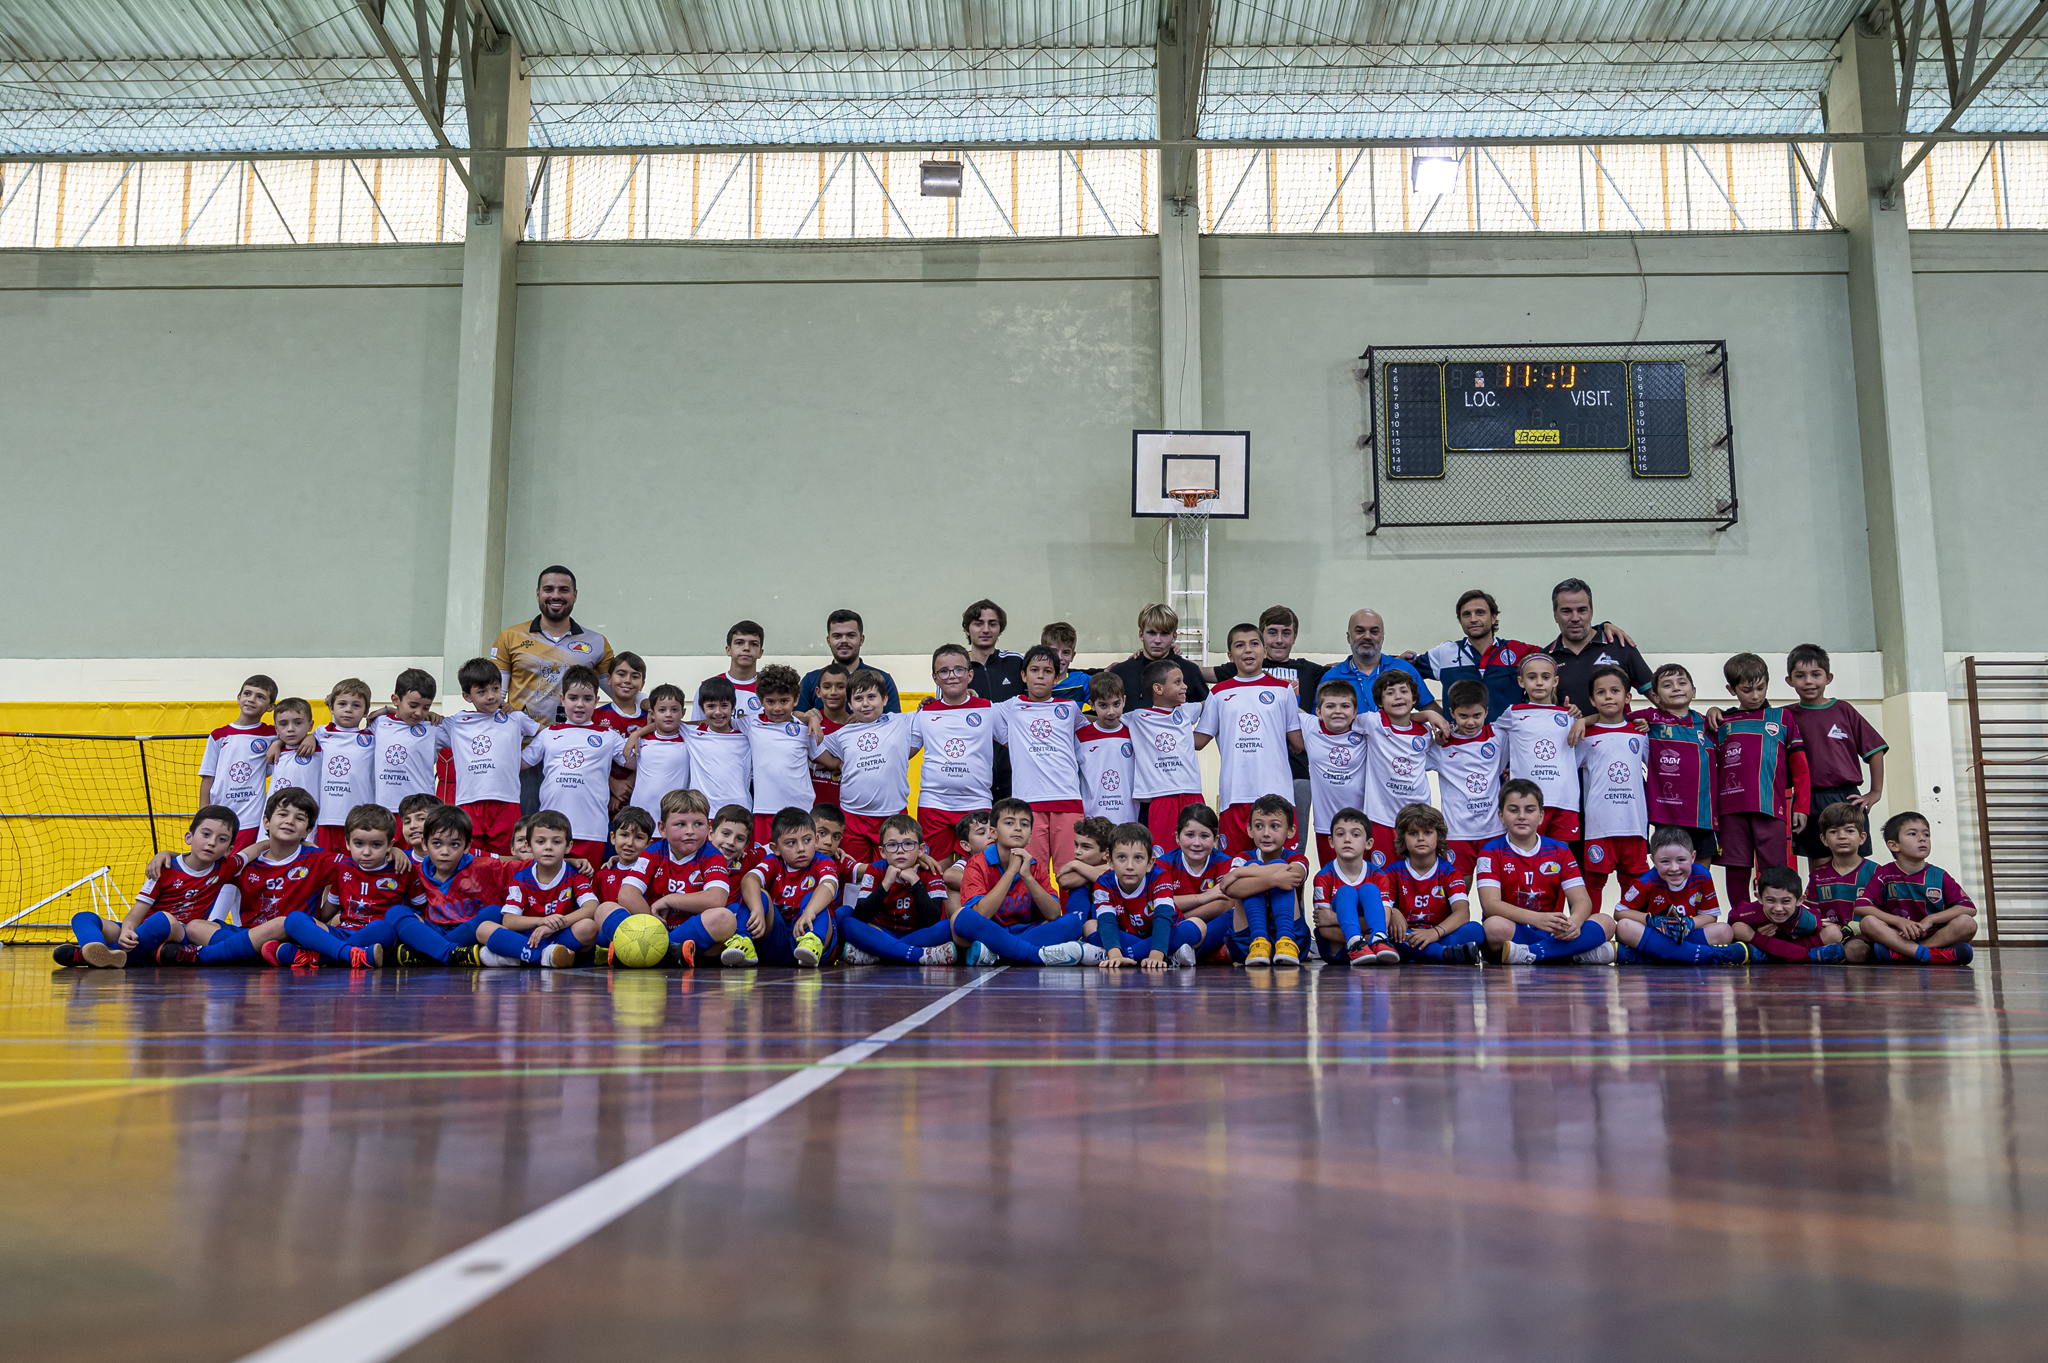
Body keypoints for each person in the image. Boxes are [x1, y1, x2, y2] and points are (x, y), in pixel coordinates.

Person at [491, 566, 615, 812]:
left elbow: (620, 691)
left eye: (563, 590)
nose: (555, 595)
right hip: (523, 750)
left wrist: (647, 705)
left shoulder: (596, 642)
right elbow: (494, 695)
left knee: (567, 829)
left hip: (575, 753)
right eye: (548, 589)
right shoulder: (510, 637)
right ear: (537, 594)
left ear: (575, 595)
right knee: (525, 830)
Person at [61, 806, 242, 967]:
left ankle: (106, 956)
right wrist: (126, 931)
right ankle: (95, 949)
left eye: (221, 839)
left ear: (228, 849)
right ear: (189, 837)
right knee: (83, 917)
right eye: (206, 834)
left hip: (180, 932)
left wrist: (267, 840)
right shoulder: (164, 867)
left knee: (163, 919)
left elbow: (254, 850)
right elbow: (135, 914)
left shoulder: (225, 867)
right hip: (142, 932)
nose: (212, 842)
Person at [173, 788, 332, 966]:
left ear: (307, 830)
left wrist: (327, 914)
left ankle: (212, 954)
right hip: (248, 932)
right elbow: (202, 865)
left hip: (290, 935)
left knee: (283, 923)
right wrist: (168, 855)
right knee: (194, 927)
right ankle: (262, 952)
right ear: (266, 821)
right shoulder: (247, 863)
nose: (290, 821)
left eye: (299, 818)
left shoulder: (318, 858)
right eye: (283, 814)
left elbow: (357, 872)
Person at [1476, 780, 1616, 965]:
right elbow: (1490, 905)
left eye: (1530, 810)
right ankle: (1571, 953)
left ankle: (1533, 953)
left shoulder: (1559, 850)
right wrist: (1536, 918)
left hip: (1551, 929)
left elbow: (1582, 900)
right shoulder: (1491, 851)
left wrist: (1575, 921)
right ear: (1501, 816)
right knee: (1493, 927)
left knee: (1606, 922)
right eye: (1513, 810)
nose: (1522, 816)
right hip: (1515, 929)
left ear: (1541, 816)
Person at [1196, 623, 1304, 855]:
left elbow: (1299, 742)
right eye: (1239, 646)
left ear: (1264, 650)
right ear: (1230, 655)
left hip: (1278, 794)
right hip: (1235, 794)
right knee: (1233, 869)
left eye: (1254, 644)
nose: (1248, 650)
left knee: (1284, 870)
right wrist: (1161, 722)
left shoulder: (1283, 690)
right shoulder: (1218, 693)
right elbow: (1198, 741)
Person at [1714, 652, 1810, 911]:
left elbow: (1800, 768)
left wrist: (1801, 806)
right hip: (1730, 811)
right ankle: (1742, 919)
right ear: (1731, 689)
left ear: (1768, 682)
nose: (1755, 696)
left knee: (1774, 872)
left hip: (1771, 807)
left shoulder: (1782, 718)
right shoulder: (1722, 722)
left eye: (1761, 688)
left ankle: (1775, 920)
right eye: (1746, 690)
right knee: (1736, 869)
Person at [273, 803, 422, 969]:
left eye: (376, 845)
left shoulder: (403, 868)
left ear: (390, 845)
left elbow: (420, 909)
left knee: (384, 930)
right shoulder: (343, 867)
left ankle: (318, 957)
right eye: (359, 844)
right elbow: (331, 906)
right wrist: (310, 928)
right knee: (295, 919)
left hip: (375, 936)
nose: (366, 852)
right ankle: (352, 955)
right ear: (347, 843)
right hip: (343, 931)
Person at [951, 798, 1092, 965]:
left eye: (1024, 824)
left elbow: (1054, 914)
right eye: (1009, 823)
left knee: (1073, 923)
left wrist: (1028, 876)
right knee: (960, 918)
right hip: (991, 931)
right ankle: (1034, 954)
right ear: (993, 833)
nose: (1018, 828)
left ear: (1030, 837)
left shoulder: (1036, 866)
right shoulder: (976, 863)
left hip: (1026, 931)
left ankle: (999, 954)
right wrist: (1011, 872)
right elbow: (980, 915)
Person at [1783, 643, 1887, 865]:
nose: (1809, 681)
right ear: (1789, 680)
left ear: (1828, 678)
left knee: (1853, 864)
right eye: (1800, 675)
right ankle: (1823, 901)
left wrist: (1875, 791)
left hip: (1846, 797)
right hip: (1808, 799)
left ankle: (1859, 901)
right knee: (1820, 866)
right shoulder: (1785, 716)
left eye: (1816, 674)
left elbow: (1875, 750)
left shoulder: (1843, 710)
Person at [520, 665, 629, 866]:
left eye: (587, 699)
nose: (580, 705)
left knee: (586, 892)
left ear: (597, 701)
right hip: (550, 832)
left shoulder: (608, 736)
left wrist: (642, 731)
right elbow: (517, 764)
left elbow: (639, 763)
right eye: (573, 698)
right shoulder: (549, 734)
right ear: (562, 699)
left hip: (591, 831)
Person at [388, 804, 517, 967]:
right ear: (424, 843)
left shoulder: (484, 865)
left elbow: (524, 864)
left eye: (454, 844)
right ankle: (454, 953)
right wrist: (392, 851)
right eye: (437, 843)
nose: (444, 852)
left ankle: (432, 952)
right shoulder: (415, 869)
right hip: (434, 930)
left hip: (471, 930)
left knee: (494, 913)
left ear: (467, 846)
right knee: (395, 912)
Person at [995, 645, 1086, 871]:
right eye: (1034, 670)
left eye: (1047, 671)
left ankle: (1074, 909)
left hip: (1068, 801)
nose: (1040, 676)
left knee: (1071, 873)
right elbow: (973, 710)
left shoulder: (1070, 708)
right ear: (1024, 675)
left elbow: (1090, 737)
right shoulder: (1010, 708)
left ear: (1056, 678)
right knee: (1032, 873)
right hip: (1028, 805)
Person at [817, 670, 922, 863]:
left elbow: (935, 715)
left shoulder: (903, 721)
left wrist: (932, 703)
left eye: (871, 697)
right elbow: (813, 746)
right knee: (854, 874)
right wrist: (812, 719)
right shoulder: (843, 734)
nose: (865, 704)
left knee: (894, 873)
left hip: (893, 815)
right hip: (853, 819)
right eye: (858, 698)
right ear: (849, 704)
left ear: (884, 699)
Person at [1611, 826, 1752, 965]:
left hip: (1686, 935)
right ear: (1653, 861)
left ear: (1693, 857)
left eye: (1681, 860)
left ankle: (1654, 956)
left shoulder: (1702, 875)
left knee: (1724, 931)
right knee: (1624, 927)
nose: (1674, 868)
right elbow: (1619, 913)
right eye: (1665, 861)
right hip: (1656, 934)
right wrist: (1651, 920)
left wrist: (1690, 924)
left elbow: (1710, 916)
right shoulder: (1646, 881)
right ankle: (1703, 955)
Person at [443, 657, 541, 855]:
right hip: (469, 802)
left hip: (507, 801)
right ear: (467, 696)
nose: (491, 696)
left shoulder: (514, 717)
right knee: (470, 860)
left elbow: (547, 735)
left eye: (495, 689)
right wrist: (390, 710)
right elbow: (420, 728)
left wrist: (525, 759)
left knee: (505, 858)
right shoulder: (456, 723)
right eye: (481, 692)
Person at [1852, 811, 1978, 965]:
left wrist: (1931, 919)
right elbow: (1861, 906)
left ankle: (1911, 953)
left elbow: (1968, 908)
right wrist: (1899, 922)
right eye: (1912, 834)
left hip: (1934, 935)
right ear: (1894, 845)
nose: (1922, 839)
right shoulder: (1884, 873)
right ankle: (1934, 955)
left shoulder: (1939, 875)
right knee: (1868, 923)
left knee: (1968, 923)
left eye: (1926, 834)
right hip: (1899, 935)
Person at [644, 789, 752, 967]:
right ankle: (664, 950)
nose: (690, 831)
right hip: (655, 927)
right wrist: (650, 927)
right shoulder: (653, 851)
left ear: (707, 828)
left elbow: (717, 898)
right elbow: (628, 894)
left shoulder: (713, 856)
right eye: (680, 824)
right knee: (605, 910)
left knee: (725, 918)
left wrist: (669, 900)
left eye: (697, 824)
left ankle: (655, 951)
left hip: (693, 932)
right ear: (662, 828)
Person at [477, 810, 599, 968]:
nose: (548, 847)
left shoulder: (575, 876)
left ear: (568, 846)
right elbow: (509, 920)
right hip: (528, 936)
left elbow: (591, 907)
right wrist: (540, 921)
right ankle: (542, 955)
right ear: (529, 845)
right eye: (541, 842)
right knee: (483, 929)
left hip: (560, 935)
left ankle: (519, 956)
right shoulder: (521, 878)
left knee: (588, 928)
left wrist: (554, 925)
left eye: (556, 842)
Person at [834, 813, 959, 966]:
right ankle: (916, 954)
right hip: (881, 931)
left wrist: (915, 882)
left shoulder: (930, 871)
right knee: (848, 924)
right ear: (882, 852)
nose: (900, 850)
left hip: (917, 933)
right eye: (892, 845)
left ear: (921, 849)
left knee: (946, 927)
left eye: (908, 844)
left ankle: (881, 953)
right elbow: (862, 915)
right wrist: (886, 884)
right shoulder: (875, 869)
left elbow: (931, 919)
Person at [909, 645, 995, 861]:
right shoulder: (924, 713)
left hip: (976, 804)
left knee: (979, 874)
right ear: (935, 678)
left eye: (958, 669)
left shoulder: (989, 709)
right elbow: (904, 751)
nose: (952, 676)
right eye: (944, 671)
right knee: (936, 873)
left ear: (970, 674)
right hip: (934, 805)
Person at [1575, 665, 1651, 909]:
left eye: (1615, 691)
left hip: (1634, 824)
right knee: (1594, 882)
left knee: (1634, 883)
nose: (1608, 696)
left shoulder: (1640, 733)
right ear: (1592, 700)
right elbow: (1565, 771)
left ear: (1627, 697)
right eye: (1601, 692)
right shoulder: (1584, 735)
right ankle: (1591, 934)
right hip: (1599, 826)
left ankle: (1631, 935)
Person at [1375, 803, 1487, 965]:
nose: (1421, 838)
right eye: (1413, 833)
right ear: (1402, 838)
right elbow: (1381, 910)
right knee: (1388, 936)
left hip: (1440, 934)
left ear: (1439, 836)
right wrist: (1393, 912)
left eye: (1427, 832)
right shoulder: (1392, 873)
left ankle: (1424, 953)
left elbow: (1462, 913)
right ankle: (1443, 954)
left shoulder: (1450, 872)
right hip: (1407, 935)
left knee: (1476, 930)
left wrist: (1434, 933)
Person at [1492, 653, 1583, 846]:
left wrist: (1582, 718)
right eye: (1532, 677)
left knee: (1558, 859)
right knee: (1524, 855)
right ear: (1521, 682)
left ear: (1555, 681)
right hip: (1525, 802)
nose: (1539, 683)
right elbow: (1490, 740)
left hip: (1563, 800)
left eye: (1546, 677)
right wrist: (1510, 767)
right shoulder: (1513, 713)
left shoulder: (1569, 715)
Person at [1410, 590, 1541, 720]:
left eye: (1480, 613)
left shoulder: (1518, 651)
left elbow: (1556, 658)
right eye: (1466, 614)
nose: (1473, 619)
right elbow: (1401, 669)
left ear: (1493, 617)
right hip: (1460, 740)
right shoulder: (1444, 653)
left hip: (1509, 738)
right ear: (1460, 621)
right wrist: (1430, 708)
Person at [1636, 664, 1720, 866]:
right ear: (1655, 697)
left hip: (1702, 816)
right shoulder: (1651, 719)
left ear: (1693, 691)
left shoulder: (1709, 723)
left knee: (1701, 875)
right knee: (1669, 871)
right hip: (1666, 816)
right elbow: (1612, 718)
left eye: (1682, 683)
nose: (1676, 688)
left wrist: (1715, 709)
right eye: (1667, 685)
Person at [1127, 658, 1210, 855]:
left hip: (1192, 793)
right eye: (1178, 682)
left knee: (1197, 852)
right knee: (1164, 857)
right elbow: (1106, 719)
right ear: (1158, 688)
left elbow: (1215, 699)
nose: (1185, 686)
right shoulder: (1137, 717)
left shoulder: (1188, 711)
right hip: (1162, 797)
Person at [739, 807, 841, 968]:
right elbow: (748, 880)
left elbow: (829, 885)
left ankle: (812, 942)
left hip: (815, 935)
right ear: (776, 848)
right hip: (779, 939)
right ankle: (742, 942)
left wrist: (809, 911)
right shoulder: (773, 861)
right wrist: (757, 908)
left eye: (806, 841)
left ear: (815, 840)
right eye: (791, 843)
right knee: (757, 894)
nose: (801, 848)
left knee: (814, 897)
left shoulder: (823, 862)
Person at [1091, 822, 1201, 969]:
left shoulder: (1160, 877)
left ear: (1150, 863)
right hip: (1127, 935)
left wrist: (1156, 955)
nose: (1130, 866)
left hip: (1163, 936)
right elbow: (1107, 922)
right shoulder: (1103, 882)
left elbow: (1163, 917)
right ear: (1110, 861)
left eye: (1138, 858)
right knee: (1090, 926)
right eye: (1122, 858)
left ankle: (1125, 955)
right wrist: (1114, 955)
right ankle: (1170, 956)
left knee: (1198, 925)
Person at [1428, 679, 1507, 882]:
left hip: (1494, 830)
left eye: (1477, 716)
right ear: (1452, 713)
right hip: (1457, 833)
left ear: (1487, 712)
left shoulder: (1498, 736)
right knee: (1459, 892)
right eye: (1463, 716)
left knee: (1496, 890)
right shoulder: (1440, 746)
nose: (1470, 722)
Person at [1221, 793, 1311, 966]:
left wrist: (1239, 874)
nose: (1266, 833)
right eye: (1259, 826)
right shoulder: (1242, 858)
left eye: (1275, 826)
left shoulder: (1297, 858)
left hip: (1294, 940)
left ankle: (1286, 940)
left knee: (1269, 866)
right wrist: (1274, 878)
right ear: (1249, 830)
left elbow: (1293, 875)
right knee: (1253, 865)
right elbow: (1231, 890)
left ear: (1291, 831)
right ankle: (1259, 941)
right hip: (1247, 943)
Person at [1358, 670, 1436, 871]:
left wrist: (1427, 715)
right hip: (1381, 818)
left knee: (1414, 875)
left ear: (1414, 698)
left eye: (1404, 691)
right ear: (1380, 702)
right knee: (1381, 876)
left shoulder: (1426, 733)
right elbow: (1339, 720)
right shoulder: (1372, 722)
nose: (1398, 696)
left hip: (1417, 820)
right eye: (1390, 693)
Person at [1258, 605, 1325, 824]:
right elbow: (1201, 673)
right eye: (1272, 632)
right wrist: (1170, 654)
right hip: (1259, 771)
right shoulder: (1247, 669)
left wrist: (1392, 659)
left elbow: (1351, 665)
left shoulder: (1308, 670)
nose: (1279, 639)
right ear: (1262, 635)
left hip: (1298, 770)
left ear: (1295, 637)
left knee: (1296, 841)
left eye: (1286, 633)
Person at [1543, 578, 1652, 714]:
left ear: (1591, 612)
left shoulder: (1620, 645)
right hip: (1567, 735)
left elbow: (1660, 697)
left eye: (1582, 610)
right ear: (1555, 616)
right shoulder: (1545, 659)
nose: (1575, 618)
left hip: (1617, 735)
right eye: (1566, 611)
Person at [1308, 805, 1396, 965]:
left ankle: (1378, 941)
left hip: (1373, 949)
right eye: (1340, 834)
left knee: (1369, 889)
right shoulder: (1323, 877)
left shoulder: (1379, 876)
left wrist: (1334, 918)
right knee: (1346, 892)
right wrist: (1369, 924)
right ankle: (1357, 943)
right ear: (1331, 841)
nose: (1347, 839)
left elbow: (1385, 920)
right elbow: (1324, 927)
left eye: (1355, 834)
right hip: (1337, 950)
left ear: (1368, 843)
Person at [198, 674, 277, 850]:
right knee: (215, 864)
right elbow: (207, 777)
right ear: (239, 697)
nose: (251, 699)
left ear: (271, 707)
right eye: (247, 694)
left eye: (260, 697)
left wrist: (279, 742)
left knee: (241, 864)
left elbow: (299, 736)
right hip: (219, 814)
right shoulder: (219, 735)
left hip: (251, 816)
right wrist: (203, 814)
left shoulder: (272, 734)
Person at [745, 665, 819, 846]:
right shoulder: (750, 723)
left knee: (799, 861)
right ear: (761, 700)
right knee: (765, 863)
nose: (777, 708)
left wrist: (811, 718)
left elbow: (826, 760)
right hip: (765, 810)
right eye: (770, 701)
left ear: (796, 699)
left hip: (801, 810)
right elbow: (717, 722)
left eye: (784, 701)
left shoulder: (806, 730)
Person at [1296, 680, 1367, 867]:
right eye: (1330, 706)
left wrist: (1429, 714)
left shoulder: (1366, 730)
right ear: (1318, 712)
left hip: (1361, 824)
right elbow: (1288, 709)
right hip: (1325, 825)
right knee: (1332, 880)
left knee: (1362, 880)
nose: (1337, 711)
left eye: (1345, 706)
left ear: (1355, 711)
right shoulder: (1310, 726)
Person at [962, 598, 1027, 798]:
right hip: (974, 775)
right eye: (978, 623)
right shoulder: (957, 669)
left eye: (992, 623)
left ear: (1000, 629)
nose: (986, 629)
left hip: (1016, 773)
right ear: (967, 629)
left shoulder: (1016, 662)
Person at [1320, 609, 1433, 716]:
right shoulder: (1331, 677)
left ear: (1382, 637)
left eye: (1374, 631)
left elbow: (1432, 712)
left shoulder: (1403, 669)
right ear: (1348, 637)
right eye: (1359, 631)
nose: (1367, 636)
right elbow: (1319, 721)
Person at [310, 678, 376, 852]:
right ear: (331, 707)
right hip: (327, 817)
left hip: (360, 819)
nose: (348, 709)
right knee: (328, 870)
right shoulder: (320, 733)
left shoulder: (372, 737)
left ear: (365, 711)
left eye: (356, 705)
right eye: (342, 704)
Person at [1106, 603, 1211, 710]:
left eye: (1164, 634)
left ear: (1174, 637)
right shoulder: (1120, 673)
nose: (1157, 640)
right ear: (1141, 635)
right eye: (1151, 633)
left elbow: (1209, 711)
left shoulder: (1189, 671)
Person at [371, 668, 447, 814]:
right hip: (385, 811)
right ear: (395, 700)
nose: (419, 713)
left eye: (426, 707)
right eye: (413, 706)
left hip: (422, 811)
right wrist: (312, 736)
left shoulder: (433, 727)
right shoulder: (379, 724)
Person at [1733, 866, 1845, 963]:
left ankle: (1768, 956)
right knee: (1738, 928)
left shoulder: (1809, 920)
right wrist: (1756, 934)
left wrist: (1759, 939)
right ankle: (1808, 956)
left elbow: (1831, 931)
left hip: (1780, 946)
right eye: (1770, 900)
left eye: (1786, 901)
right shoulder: (1747, 913)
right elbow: (1733, 925)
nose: (1778, 908)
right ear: (1759, 898)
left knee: (1833, 933)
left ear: (1800, 900)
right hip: (1799, 952)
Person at [799, 609, 901, 714]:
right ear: (828, 641)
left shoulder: (883, 680)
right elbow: (795, 721)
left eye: (851, 635)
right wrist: (808, 717)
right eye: (837, 636)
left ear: (861, 639)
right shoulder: (810, 681)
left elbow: (894, 723)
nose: (844, 641)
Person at [624, 683, 691, 828]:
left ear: (683, 712)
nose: (668, 714)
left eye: (674, 710)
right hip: (640, 821)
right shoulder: (639, 742)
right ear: (652, 714)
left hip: (673, 821)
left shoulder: (690, 741)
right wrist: (636, 734)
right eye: (662, 710)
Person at [686, 676, 753, 819]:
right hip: (703, 814)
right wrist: (637, 735)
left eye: (724, 705)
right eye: (711, 706)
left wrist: (811, 717)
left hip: (740, 812)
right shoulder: (691, 734)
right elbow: (666, 724)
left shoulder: (747, 734)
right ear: (701, 707)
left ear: (733, 706)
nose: (717, 712)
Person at [1805, 801, 1878, 928]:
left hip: (1867, 938)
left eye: (1849, 831)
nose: (1842, 836)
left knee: (1856, 948)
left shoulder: (1877, 873)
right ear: (1824, 839)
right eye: (1833, 832)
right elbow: (1811, 914)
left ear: (1862, 838)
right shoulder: (1817, 876)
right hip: (1830, 937)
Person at [1076, 673, 1136, 825]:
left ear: (1124, 701)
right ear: (1091, 704)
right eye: (1103, 705)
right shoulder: (1080, 736)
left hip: (1128, 819)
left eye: (1116, 704)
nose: (1111, 711)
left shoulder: (1134, 733)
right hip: (1092, 821)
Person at [593, 652, 649, 813]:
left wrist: (628, 783)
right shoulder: (596, 716)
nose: (627, 681)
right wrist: (612, 784)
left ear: (642, 684)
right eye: (621, 674)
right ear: (609, 679)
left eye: (635, 676)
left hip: (641, 799)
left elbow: (654, 756)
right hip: (603, 800)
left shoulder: (651, 719)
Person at [809, 662, 852, 807]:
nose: (833, 692)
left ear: (850, 691)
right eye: (827, 687)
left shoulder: (858, 727)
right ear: (818, 692)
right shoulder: (808, 724)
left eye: (840, 687)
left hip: (847, 808)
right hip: (812, 809)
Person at [721, 621, 767, 724]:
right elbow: (698, 729)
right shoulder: (707, 687)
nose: (746, 648)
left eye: (753, 644)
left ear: (760, 652)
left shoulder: (771, 687)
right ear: (728, 650)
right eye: (739, 643)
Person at [1040, 622, 1093, 703]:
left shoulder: (1083, 682)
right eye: (1053, 651)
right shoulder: (1031, 683)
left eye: (1066, 652)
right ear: (1042, 653)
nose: (1059, 657)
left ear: (1072, 656)